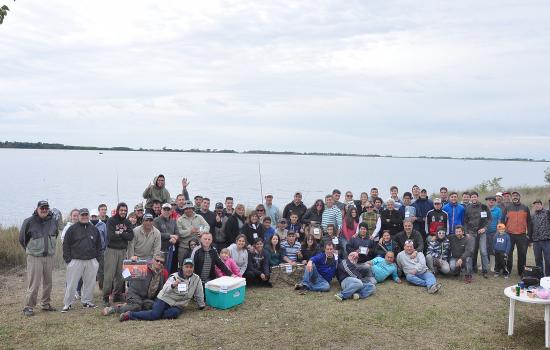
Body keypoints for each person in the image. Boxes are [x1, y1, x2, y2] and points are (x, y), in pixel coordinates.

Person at [119, 258, 205, 322]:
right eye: (186, 267)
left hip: (179, 304)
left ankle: (150, 310)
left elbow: (199, 293)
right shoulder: (174, 276)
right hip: (165, 299)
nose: (189, 269)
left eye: (191, 267)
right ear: (182, 267)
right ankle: (130, 315)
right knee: (155, 315)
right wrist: (173, 285)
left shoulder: (196, 279)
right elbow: (165, 289)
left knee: (173, 314)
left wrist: (201, 305)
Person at [19, 200, 60, 316]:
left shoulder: (53, 221)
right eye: (42, 208)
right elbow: (22, 239)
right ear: (37, 209)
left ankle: (46, 304)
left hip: (49, 257)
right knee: (34, 283)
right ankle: (28, 306)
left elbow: (55, 235)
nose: (44, 210)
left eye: (46, 208)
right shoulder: (29, 221)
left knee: (48, 282)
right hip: (34, 257)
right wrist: (32, 251)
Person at [102, 253, 168, 316]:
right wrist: (130, 263)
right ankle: (113, 309)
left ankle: (127, 305)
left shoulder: (164, 273)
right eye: (157, 260)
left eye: (161, 262)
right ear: (153, 260)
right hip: (134, 293)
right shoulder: (143, 266)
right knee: (136, 307)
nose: (159, 263)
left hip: (146, 297)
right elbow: (125, 275)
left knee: (153, 306)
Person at [62, 208, 101, 312]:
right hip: (75, 260)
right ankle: (67, 304)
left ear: (88, 216)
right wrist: (68, 260)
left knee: (90, 283)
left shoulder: (94, 229)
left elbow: (99, 245)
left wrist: (97, 260)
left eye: (86, 215)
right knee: (71, 284)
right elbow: (66, 245)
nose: (84, 217)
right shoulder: (72, 229)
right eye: (82, 215)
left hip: (91, 260)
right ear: (79, 216)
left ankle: (87, 301)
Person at [102, 202, 134, 306]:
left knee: (121, 275)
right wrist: (124, 234)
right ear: (117, 210)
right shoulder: (111, 221)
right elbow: (111, 236)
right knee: (109, 275)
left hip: (122, 251)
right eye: (121, 210)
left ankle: (117, 295)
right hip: (111, 250)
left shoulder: (128, 222)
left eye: (125, 210)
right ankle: (106, 297)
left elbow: (130, 236)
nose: (123, 212)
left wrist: (120, 233)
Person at [463, 191, 492, 277]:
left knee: (483, 251)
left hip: (481, 233)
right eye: (472, 197)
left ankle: (485, 270)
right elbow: (465, 221)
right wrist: (466, 232)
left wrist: (484, 228)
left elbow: (489, 219)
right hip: (471, 233)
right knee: (471, 251)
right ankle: (471, 269)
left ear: (477, 197)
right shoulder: (467, 208)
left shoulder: (483, 207)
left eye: (475, 197)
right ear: (470, 198)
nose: (473, 198)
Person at [504, 191, 532, 276]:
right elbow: (503, 221)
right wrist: (503, 233)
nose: (515, 197)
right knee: (508, 253)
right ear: (511, 198)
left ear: (519, 197)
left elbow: (529, 222)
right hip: (509, 234)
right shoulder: (507, 207)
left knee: (522, 254)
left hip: (522, 234)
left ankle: (521, 272)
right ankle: (508, 271)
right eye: (513, 196)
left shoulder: (525, 208)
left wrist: (528, 235)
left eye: (516, 196)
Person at [176, 200, 209, 265]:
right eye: (186, 208)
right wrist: (190, 231)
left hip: (197, 246)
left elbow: (207, 226)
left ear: (193, 209)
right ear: (184, 209)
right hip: (184, 247)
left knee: (198, 264)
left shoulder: (199, 217)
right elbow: (179, 233)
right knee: (182, 265)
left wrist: (202, 232)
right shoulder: (179, 220)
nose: (188, 210)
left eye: (190, 208)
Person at [532, 199, 550, 276]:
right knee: (538, 259)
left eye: (538, 204)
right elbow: (530, 227)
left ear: (542, 205)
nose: (537, 205)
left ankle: (548, 275)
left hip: (546, 240)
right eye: (535, 204)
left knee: (548, 259)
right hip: (536, 241)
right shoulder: (533, 216)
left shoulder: (547, 213)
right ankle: (540, 275)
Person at [485, 195, 503, 272]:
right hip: (484, 232)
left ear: (495, 201)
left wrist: (498, 232)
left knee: (492, 249)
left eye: (493, 200)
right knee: (484, 248)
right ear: (487, 201)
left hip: (494, 232)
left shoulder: (498, 210)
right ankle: (485, 264)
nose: (491, 201)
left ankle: (493, 265)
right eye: (489, 200)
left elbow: (499, 221)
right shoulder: (484, 209)